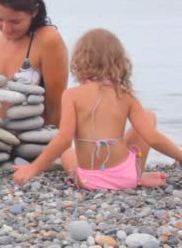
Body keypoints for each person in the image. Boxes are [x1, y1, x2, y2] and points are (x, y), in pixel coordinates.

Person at [13, 28, 182, 190]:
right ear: (120, 62)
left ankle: (127, 176)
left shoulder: (72, 95)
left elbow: (64, 139)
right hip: (125, 177)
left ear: (79, 61)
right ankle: (138, 176)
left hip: (88, 180)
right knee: (148, 117)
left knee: (67, 153)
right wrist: (179, 156)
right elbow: (153, 138)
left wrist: (33, 168)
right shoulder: (126, 96)